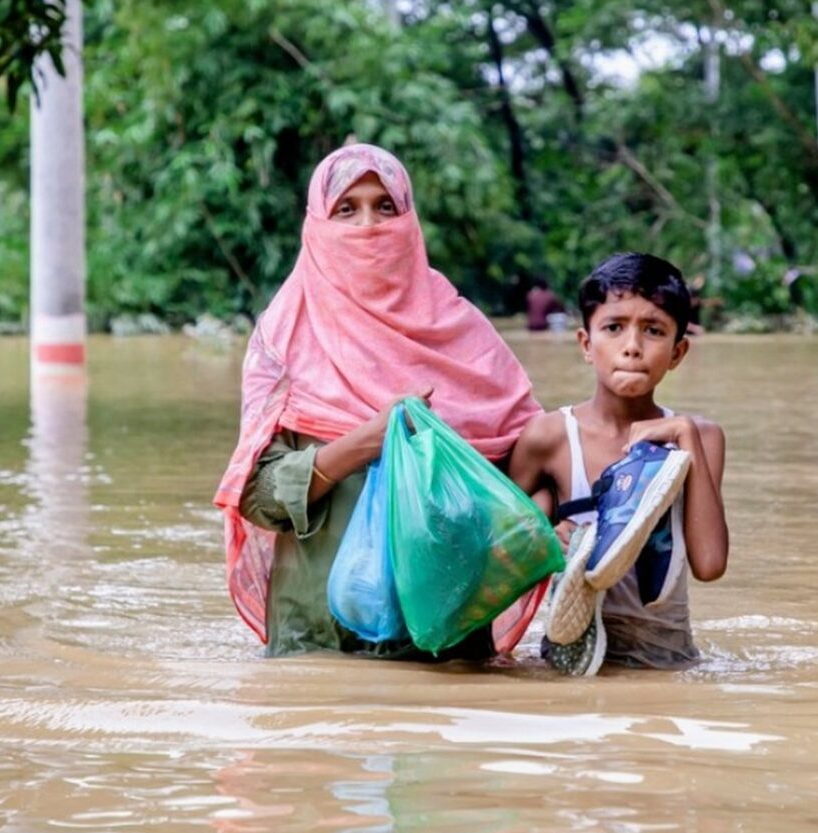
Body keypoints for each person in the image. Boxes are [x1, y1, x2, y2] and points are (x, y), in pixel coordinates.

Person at [213, 144, 545, 659]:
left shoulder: (466, 337)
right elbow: (258, 497)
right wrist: (366, 441)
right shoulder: (283, 340)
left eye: (384, 206)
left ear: (409, 220)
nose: (368, 225)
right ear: (318, 224)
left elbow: (531, 468)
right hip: (318, 636)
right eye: (347, 208)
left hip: (445, 641)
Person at [508, 252, 729, 675]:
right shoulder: (550, 437)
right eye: (614, 328)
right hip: (572, 658)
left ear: (678, 351)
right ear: (587, 344)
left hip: (668, 660)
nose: (632, 347)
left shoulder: (701, 436)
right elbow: (497, 552)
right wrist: (542, 541)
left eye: (653, 331)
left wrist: (685, 437)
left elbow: (710, 564)